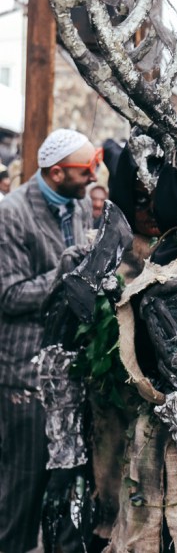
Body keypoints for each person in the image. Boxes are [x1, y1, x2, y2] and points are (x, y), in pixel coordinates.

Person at [0, 128, 96, 552]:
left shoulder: (78, 206)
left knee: (67, 496)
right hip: (25, 375)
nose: (94, 176)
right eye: (86, 169)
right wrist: (64, 275)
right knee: (21, 491)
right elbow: (9, 295)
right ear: (57, 173)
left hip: (71, 374)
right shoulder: (12, 214)